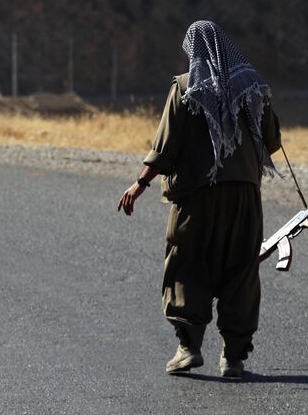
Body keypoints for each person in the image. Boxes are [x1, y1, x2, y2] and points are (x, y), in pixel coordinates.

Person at [116, 20, 281, 378]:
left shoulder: (185, 87)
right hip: (244, 199)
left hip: (197, 197)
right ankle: (233, 358)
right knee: (241, 270)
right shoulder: (253, 86)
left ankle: (188, 348)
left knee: (187, 264)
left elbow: (166, 148)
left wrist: (139, 184)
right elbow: (272, 141)